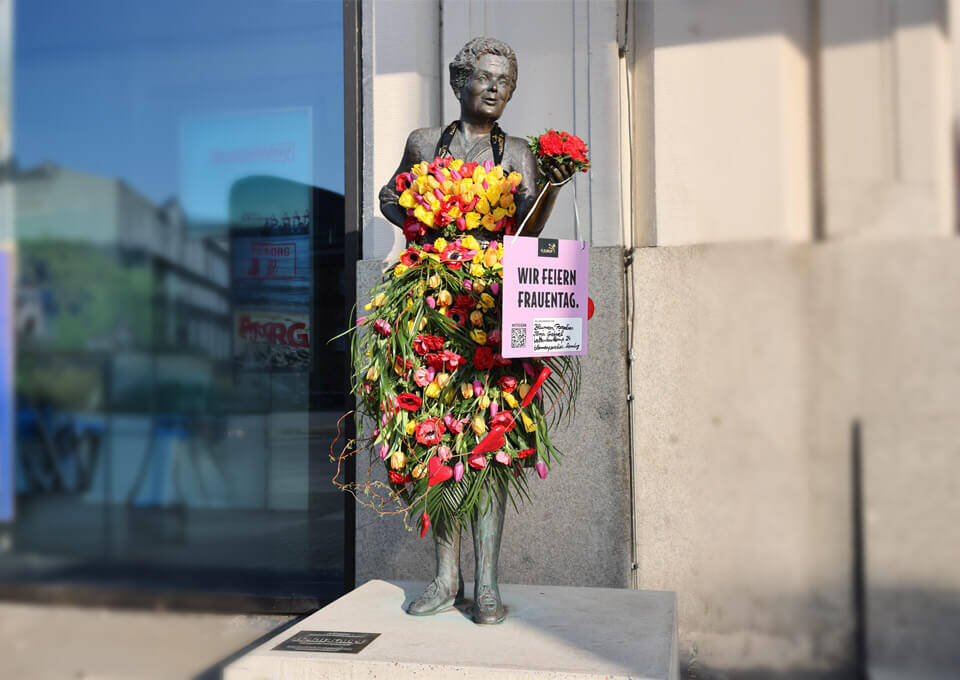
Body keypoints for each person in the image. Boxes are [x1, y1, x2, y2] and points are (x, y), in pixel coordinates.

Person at [376, 37, 575, 625]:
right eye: (485, 78)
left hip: (491, 308)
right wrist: (424, 213)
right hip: (432, 301)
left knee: (492, 445)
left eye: (505, 82)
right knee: (433, 439)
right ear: (460, 81)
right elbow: (392, 195)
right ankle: (445, 576)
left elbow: (529, 229)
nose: (495, 89)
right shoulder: (424, 143)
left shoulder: (516, 151)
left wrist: (554, 183)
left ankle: (486, 585)